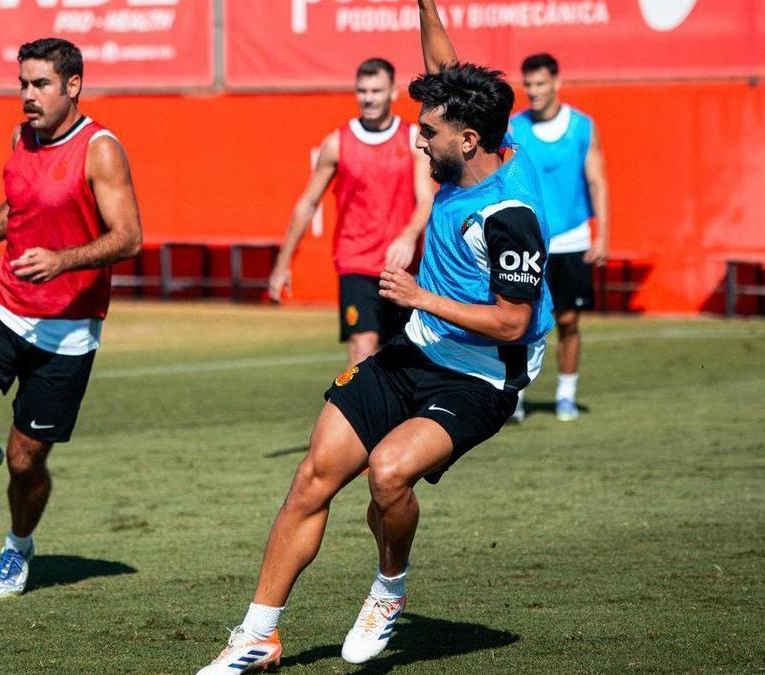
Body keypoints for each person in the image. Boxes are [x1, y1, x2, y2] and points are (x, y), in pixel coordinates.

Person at [196, 2, 554, 671]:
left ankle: (389, 586)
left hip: (481, 374)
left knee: (388, 473)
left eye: (429, 132)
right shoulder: (471, 138)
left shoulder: (511, 216)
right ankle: (257, 635)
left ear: (468, 140)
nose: (418, 141)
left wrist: (422, 296)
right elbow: (445, 68)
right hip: (415, 348)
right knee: (313, 475)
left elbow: (513, 321)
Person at [0, 37, 142, 599]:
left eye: (40, 84)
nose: (27, 95)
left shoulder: (100, 149)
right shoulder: (21, 136)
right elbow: (18, 207)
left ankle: (17, 548)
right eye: (23, 83)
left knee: (26, 463)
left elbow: (129, 237)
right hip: (6, 304)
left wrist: (63, 260)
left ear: (72, 86)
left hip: (68, 329)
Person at [268, 58, 435, 368]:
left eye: (376, 90)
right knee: (363, 344)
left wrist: (408, 236)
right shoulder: (337, 143)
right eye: (362, 90)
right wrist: (282, 263)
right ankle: (357, 416)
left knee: (402, 354)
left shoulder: (413, 140)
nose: (368, 98)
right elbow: (307, 203)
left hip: (400, 265)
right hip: (355, 261)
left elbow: (426, 199)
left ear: (392, 92)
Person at [506, 53, 609, 423]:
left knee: (568, 320)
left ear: (556, 83)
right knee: (519, 322)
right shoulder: (514, 128)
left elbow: (597, 180)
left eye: (540, 83)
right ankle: (514, 398)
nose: (533, 91)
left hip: (572, 239)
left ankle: (566, 393)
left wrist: (603, 235)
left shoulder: (582, 126)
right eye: (528, 84)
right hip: (527, 243)